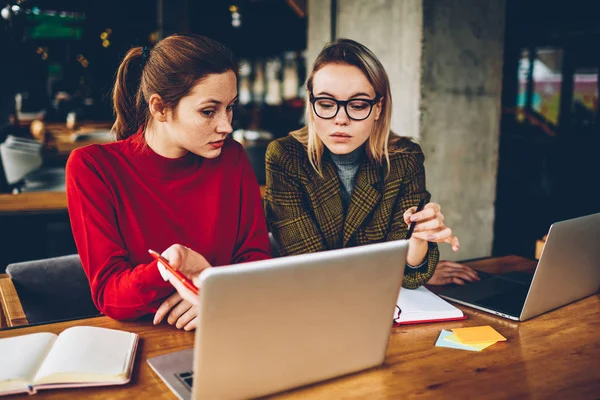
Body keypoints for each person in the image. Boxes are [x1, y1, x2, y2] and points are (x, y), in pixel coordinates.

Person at [66, 34, 270, 331]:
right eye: (209, 111)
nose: (226, 125)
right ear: (160, 108)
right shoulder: (93, 168)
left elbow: (255, 258)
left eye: (230, 107)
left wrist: (217, 296)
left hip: (226, 327)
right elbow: (110, 295)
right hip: (144, 340)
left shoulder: (232, 158)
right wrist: (171, 266)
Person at [264, 38, 473, 288]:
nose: (341, 119)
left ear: (378, 108)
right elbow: (310, 267)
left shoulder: (404, 159)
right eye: (327, 104)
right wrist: (391, 269)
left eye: (359, 104)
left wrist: (418, 241)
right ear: (311, 104)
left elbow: (409, 272)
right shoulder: (285, 156)